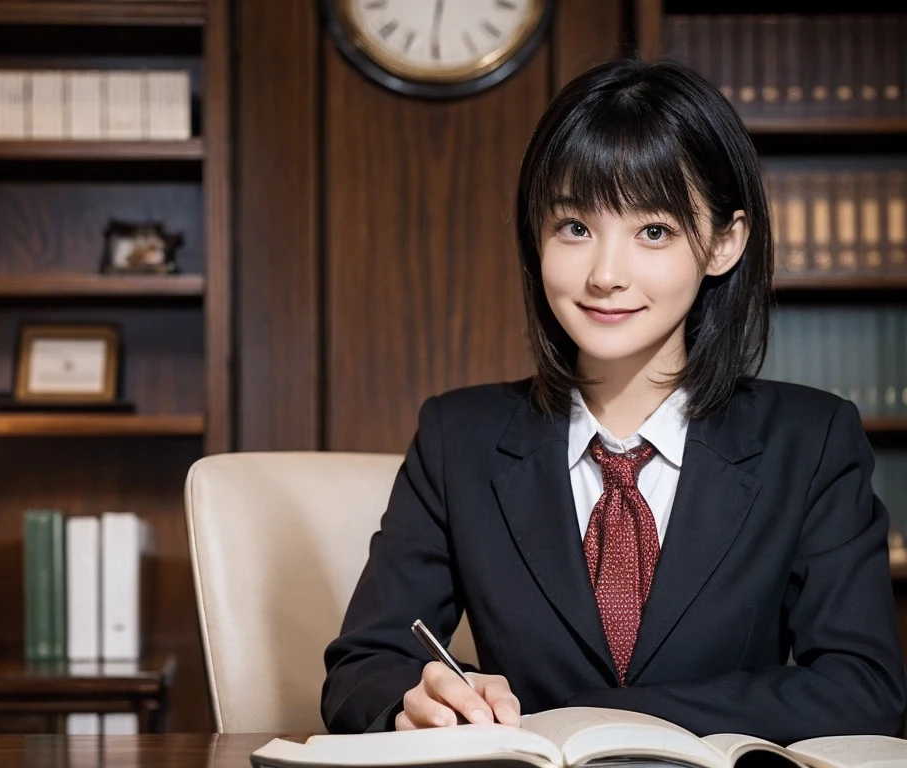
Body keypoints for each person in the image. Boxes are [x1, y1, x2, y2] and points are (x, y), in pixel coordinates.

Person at [320, 57, 907, 744]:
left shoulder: (810, 442)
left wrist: (603, 719)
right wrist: (418, 697)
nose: (604, 274)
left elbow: (863, 688)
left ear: (724, 242)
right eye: (574, 226)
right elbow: (363, 666)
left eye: (652, 231)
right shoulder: (459, 438)